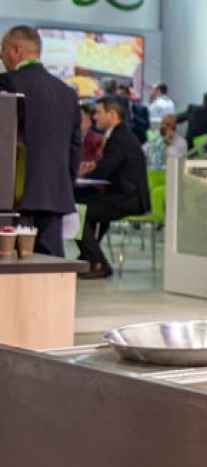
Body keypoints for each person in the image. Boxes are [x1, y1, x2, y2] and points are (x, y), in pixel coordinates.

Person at [0, 25, 81, 257]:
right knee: (50, 267)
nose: (1, 56)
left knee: (9, 266)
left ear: (15, 50)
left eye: (2, 49)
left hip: (10, 198)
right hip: (54, 196)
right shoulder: (67, 93)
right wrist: (64, 186)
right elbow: (75, 149)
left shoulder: (6, 84)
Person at [76, 97, 149, 279]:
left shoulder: (119, 137)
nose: (94, 117)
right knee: (84, 204)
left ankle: (98, 263)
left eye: (98, 112)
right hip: (123, 195)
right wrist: (93, 168)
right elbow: (110, 166)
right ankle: (89, 257)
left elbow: (105, 170)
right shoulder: (120, 134)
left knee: (76, 212)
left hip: (127, 198)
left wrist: (82, 177)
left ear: (112, 114)